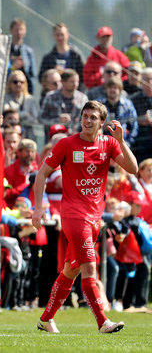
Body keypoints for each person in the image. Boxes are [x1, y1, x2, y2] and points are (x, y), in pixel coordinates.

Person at [32, 100, 138, 333]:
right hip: (73, 216)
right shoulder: (66, 144)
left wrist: (121, 141)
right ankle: (103, 322)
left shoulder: (109, 144)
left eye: (93, 117)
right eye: (85, 116)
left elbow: (133, 169)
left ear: (102, 122)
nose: (87, 121)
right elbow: (41, 174)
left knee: (72, 269)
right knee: (90, 267)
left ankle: (45, 319)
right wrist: (39, 208)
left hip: (94, 219)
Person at [40, 69, 88, 134]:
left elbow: (87, 119)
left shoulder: (83, 98)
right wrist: (58, 120)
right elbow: (41, 119)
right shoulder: (50, 97)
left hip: (75, 136)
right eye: (72, 81)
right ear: (63, 82)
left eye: (77, 81)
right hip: (55, 136)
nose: (75, 84)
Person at [96, 78, 138, 147]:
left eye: (115, 88)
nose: (112, 90)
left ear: (120, 90)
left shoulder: (128, 105)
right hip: (101, 144)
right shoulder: (98, 104)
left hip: (122, 144)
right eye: (110, 87)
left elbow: (134, 126)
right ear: (106, 89)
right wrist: (103, 127)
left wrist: (128, 143)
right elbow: (92, 124)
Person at [3, 70, 39, 141]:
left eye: (22, 82)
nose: (18, 84)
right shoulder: (5, 98)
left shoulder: (30, 99)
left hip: (28, 134)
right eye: (15, 82)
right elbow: (6, 113)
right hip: (10, 135)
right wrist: (25, 114)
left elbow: (35, 119)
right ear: (10, 83)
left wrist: (15, 117)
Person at [8, 18, 36, 94]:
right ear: (11, 30)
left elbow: (32, 75)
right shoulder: (6, 50)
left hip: (25, 92)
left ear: (25, 31)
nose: (19, 32)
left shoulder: (28, 52)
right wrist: (13, 67)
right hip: (8, 92)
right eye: (16, 29)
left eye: (21, 29)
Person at [130, 68, 152, 161]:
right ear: (141, 81)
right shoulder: (133, 99)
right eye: (147, 80)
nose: (150, 82)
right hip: (140, 141)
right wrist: (139, 121)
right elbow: (129, 119)